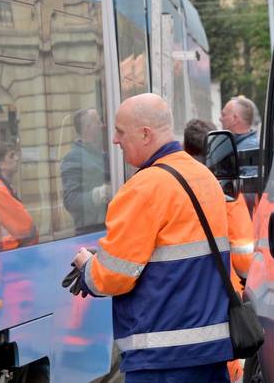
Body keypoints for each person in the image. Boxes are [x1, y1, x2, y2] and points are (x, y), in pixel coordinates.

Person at [73, 94, 232, 382]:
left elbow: (114, 277)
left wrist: (87, 268)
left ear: (145, 134)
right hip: (211, 350)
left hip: (162, 357)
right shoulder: (204, 177)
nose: (115, 141)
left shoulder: (143, 188)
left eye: (121, 132)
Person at [184, 118, 255, 382]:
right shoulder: (225, 190)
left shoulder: (169, 184)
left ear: (186, 148)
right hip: (223, 296)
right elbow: (244, 257)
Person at [60, 108, 111, 230]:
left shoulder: (101, 154)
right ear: (88, 128)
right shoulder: (74, 157)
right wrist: (100, 193)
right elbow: (71, 201)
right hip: (90, 231)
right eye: (98, 122)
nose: (103, 125)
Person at [0, 142, 37, 250]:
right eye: (11, 156)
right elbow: (25, 227)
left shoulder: (5, 187)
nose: (17, 158)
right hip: (11, 252)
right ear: (1, 165)